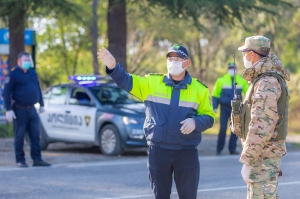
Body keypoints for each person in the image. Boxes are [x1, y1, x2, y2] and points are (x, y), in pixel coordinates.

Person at [98, 44, 215, 199]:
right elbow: (127, 81)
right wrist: (113, 67)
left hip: (186, 152)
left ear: (187, 63)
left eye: (178, 58)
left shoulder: (200, 89)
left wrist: (195, 122)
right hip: (158, 151)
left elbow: (209, 117)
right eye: (170, 58)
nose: (173, 62)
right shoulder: (151, 83)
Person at [235, 36, 290, 198]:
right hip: (264, 155)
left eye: (245, 53)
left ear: (251, 55)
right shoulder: (264, 78)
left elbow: (262, 125)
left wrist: (248, 160)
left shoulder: (266, 81)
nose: (243, 57)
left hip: (263, 157)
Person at [2, 52, 51, 168]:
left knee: (35, 135)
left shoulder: (32, 73)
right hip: (20, 110)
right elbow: (6, 93)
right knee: (20, 136)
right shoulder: (13, 75)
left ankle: (37, 159)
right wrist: (8, 109)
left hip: (32, 109)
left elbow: (38, 89)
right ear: (19, 61)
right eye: (25, 60)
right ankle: (20, 160)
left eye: (28, 60)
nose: (27, 62)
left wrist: (42, 104)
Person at [212, 63, 248, 155]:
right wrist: (215, 107)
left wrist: (247, 106)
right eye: (230, 68)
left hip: (236, 108)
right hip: (224, 108)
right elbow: (215, 95)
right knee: (223, 128)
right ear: (228, 69)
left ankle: (232, 149)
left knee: (236, 129)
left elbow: (247, 94)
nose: (232, 69)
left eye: (234, 68)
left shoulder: (242, 80)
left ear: (236, 69)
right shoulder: (221, 80)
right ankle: (219, 149)